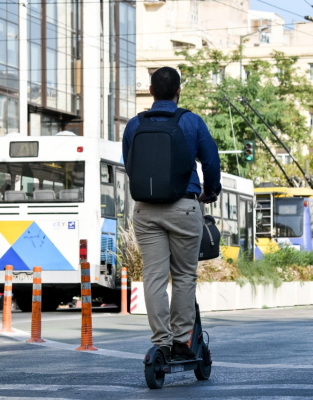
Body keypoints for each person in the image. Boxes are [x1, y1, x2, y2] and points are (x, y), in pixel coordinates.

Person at [122, 67, 221, 361]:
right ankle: (181, 341)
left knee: (153, 277)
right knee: (183, 276)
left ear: (151, 91)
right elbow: (211, 161)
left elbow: (130, 165)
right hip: (184, 207)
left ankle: (161, 342)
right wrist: (210, 192)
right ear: (179, 91)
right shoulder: (191, 122)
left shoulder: (133, 125)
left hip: (146, 210)